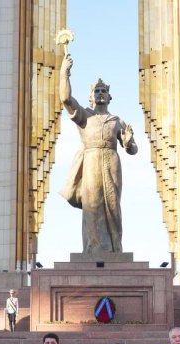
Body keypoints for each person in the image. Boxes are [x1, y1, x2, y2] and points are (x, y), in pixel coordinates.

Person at [58, 52, 138, 253]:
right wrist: (64, 72)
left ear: (109, 96)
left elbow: (133, 149)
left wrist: (128, 143)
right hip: (91, 160)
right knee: (92, 206)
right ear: (91, 96)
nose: (100, 93)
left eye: (103, 91)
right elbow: (66, 99)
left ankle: (114, 249)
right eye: (96, 91)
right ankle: (93, 250)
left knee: (112, 206)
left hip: (112, 161)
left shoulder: (117, 121)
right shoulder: (85, 115)